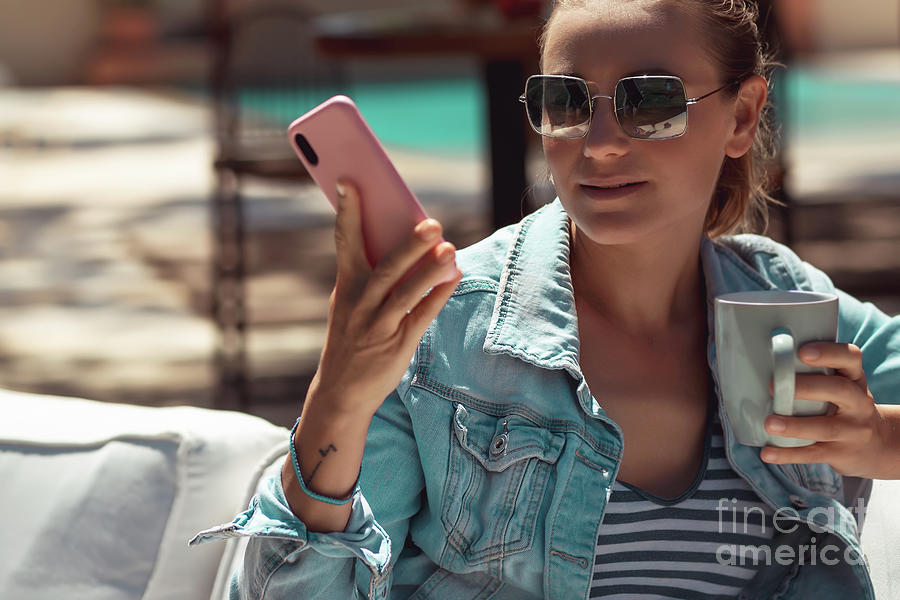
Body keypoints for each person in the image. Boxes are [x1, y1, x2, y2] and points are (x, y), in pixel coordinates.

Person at [191, 1, 900, 598]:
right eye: (563, 102)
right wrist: (337, 398)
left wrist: (877, 439)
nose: (598, 143)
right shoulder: (445, 332)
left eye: (648, 101)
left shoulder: (786, 306)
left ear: (742, 116)